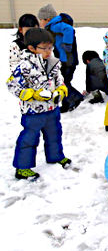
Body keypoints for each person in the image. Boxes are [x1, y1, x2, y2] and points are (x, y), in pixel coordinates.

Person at [6, 28, 72, 181]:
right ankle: (22, 167)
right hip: (33, 112)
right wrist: (31, 94)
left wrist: (61, 90)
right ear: (32, 48)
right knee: (29, 138)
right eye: (45, 48)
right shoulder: (24, 66)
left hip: (52, 109)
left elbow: (59, 80)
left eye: (50, 47)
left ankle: (55, 157)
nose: (49, 51)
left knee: (54, 134)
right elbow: (12, 85)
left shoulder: (53, 62)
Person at [38, 4, 83, 112]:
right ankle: (70, 100)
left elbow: (69, 29)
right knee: (64, 81)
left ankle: (74, 98)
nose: (40, 23)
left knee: (63, 82)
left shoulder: (55, 25)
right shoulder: (52, 26)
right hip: (64, 59)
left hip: (68, 60)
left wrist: (67, 44)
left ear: (47, 18)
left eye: (41, 20)